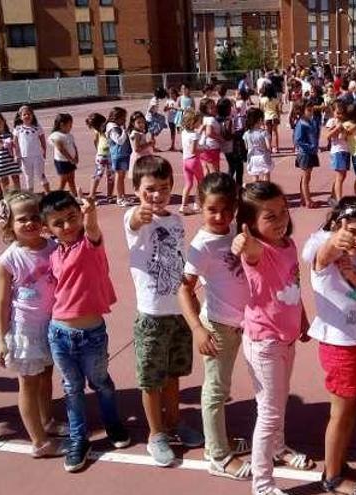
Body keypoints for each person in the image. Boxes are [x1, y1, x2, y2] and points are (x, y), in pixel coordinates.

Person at [232, 181, 315, 495]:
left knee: (277, 401)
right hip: (264, 342)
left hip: (286, 338)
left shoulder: (288, 245)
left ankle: (279, 448)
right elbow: (250, 250)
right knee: (269, 411)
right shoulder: (258, 251)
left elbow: (292, 286)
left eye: (283, 212)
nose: (280, 220)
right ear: (252, 223)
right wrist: (244, 241)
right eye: (270, 216)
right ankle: (262, 484)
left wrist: (302, 317)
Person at [40, 191, 130, 472]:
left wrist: (90, 214)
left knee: (100, 382)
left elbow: (92, 230)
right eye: (59, 223)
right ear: (48, 229)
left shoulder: (89, 245)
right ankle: (79, 439)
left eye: (72, 218)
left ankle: (113, 423)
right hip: (59, 333)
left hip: (91, 332)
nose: (68, 226)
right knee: (72, 388)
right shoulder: (54, 254)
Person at [125, 156, 205, 468]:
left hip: (178, 313)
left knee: (174, 375)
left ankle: (174, 423)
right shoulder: (134, 218)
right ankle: (155, 434)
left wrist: (193, 302)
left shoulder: (176, 220)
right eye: (149, 190)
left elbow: (181, 261)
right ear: (136, 191)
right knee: (150, 379)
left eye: (163, 188)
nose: (157, 195)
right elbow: (134, 221)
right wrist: (140, 213)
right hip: (151, 316)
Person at [302, 197, 356, 495]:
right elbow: (325, 251)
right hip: (340, 347)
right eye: (353, 232)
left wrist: (354, 278)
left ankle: (338, 463)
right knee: (341, 413)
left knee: (351, 410)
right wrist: (339, 236)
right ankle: (332, 477)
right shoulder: (324, 257)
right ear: (337, 226)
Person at [178, 172, 252, 481]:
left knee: (223, 389)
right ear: (199, 206)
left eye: (226, 209)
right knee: (215, 390)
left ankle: (216, 440)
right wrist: (197, 328)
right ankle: (218, 455)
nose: (220, 216)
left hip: (242, 323)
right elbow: (184, 288)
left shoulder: (236, 230)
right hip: (218, 326)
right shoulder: (202, 245)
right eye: (212, 209)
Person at [0, 192, 65, 458]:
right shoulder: (8, 260)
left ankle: (47, 421)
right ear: (9, 224)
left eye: (35, 217)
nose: (30, 223)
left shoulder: (53, 247)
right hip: (25, 330)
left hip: (52, 323)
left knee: (46, 376)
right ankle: (39, 441)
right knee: (29, 383)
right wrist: (2, 339)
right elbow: (1, 303)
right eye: (22, 219)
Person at [13, 106, 50, 194]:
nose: (27, 116)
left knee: (40, 174)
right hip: (24, 157)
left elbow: (42, 139)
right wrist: (16, 155)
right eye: (24, 114)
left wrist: (44, 150)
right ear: (20, 117)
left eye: (29, 114)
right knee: (28, 176)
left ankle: (48, 192)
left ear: (32, 115)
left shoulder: (37, 127)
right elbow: (15, 142)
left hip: (37, 155)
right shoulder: (18, 128)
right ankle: (31, 194)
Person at [294, 100, 320, 209]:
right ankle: (307, 200)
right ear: (303, 111)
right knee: (305, 177)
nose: (311, 112)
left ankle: (303, 198)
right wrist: (310, 147)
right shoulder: (301, 123)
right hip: (305, 153)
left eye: (312, 110)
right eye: (309, 110)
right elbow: (298, 139)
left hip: (311, 152)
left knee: (307, 176)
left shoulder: (310, 121)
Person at [85, 112, 115, 205]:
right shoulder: (108, 128)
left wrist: (98, 149)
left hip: (101, 154)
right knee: (110, 175)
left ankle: (92, 194)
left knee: (98, 174)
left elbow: (95, 140)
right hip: (110, 154)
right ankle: (109, 196)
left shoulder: (97, 130)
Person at [106, 106, 134, 207]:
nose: (125, 120)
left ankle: (123, 195)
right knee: (119, 176)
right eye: (123, 118)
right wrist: (124, 131)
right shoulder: (113, 128)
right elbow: (119, 141)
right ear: (117, 117)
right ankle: (119, 198)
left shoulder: (116, 127)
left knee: (122, 177)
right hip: (118, 155)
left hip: (123, 154)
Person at [324, 103, 350, 204]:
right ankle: (339, 200)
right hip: (337, 150)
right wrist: (337, 128)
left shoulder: (345, 122)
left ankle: (333, 195)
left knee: (343, 176)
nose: (340, 115)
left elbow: (347, 136)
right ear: (333, 112)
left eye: (342, 113)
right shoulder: (332, 121)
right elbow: (327, 136)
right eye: (338, 113)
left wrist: (346, 131)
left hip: (345, 150)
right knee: (340, 176)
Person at [180, 109, 205, 214]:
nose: (200, 123)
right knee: (201, 182)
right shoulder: (194, 136)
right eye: (199, 121)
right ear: (192, 123)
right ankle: (197, 204)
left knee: (188, 184)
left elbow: (194, 135)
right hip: (194, 160)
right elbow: (194, 150)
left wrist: (201, 130)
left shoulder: (184, 132)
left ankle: (183, 205)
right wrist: (202, 148)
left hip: (186, 161)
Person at [48, 113, 79, 198]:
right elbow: (61, 149)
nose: (71, 127)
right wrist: (70, 159)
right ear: (62, 124)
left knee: (71, 179)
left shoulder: (69, 135)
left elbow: (74, 146)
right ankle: (57, 196)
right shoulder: (55, 136)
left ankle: (75, 195)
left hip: (70, 160)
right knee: (63, 180)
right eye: (69, 125)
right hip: (62, 161)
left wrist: (76, 157)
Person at [244, 108, 274, 182]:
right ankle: (266, 191)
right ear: (260, 120)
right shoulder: (263, 133)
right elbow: (268, 147)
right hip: (263, 157)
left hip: (252, 158)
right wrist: (270, 149)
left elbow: (247, 147)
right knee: (266, 175)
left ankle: (255, 192)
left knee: (255, 177)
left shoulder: (247, 133)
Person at [129, 110, 156, 177]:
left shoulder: (140, 132)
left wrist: (150, 144)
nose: (141, 124)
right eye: (139, 122)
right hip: (140, 158)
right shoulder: (136, 134)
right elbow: (137, 149)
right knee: (141, 177)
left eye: (143, 122)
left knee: (144, 177)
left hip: (144, 157)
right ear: (133, 123)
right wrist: (149, 144)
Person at [200, 99, 223, 174]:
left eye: (214, 106)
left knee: (206, 170)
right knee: (215, 171)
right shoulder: (211, 119)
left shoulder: (205, 118)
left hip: (204, 146)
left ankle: (205, 185)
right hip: (212, 147)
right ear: (205, 110)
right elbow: (209, 133)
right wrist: (220, 138)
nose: (214, 109)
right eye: (211, 108)